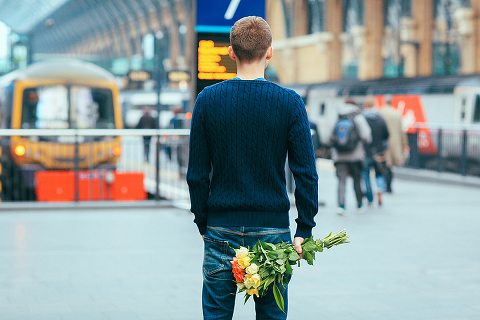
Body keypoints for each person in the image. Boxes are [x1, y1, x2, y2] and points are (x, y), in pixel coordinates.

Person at [186, 16, 318, 320]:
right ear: (269, 52)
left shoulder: (207, 100)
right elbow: (306, 173)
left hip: (220, 229)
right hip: (273, 231)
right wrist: (304, 228)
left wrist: (203, 222)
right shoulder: (290, 102)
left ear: (231, 52)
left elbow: (196, 175)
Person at [329, 98, 371, 215]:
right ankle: (359, 205)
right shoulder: (358, 116)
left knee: (341, 181)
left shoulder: (338, 116)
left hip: (340, 156)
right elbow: (366, 135)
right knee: (357, 180)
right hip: (355, 156)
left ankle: (341, 206)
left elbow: (329, 136)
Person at [362, 97, 390, 206]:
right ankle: (379, 190)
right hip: (379, 153)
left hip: (366, 152)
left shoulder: (363, 119)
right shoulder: (381, 119)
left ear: (365, 106)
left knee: (366, 175)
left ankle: (369, 198)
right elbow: (387, 135)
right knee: (379, 174)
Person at [379, 98, 409, 193]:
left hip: (384, 143)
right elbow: (401, 131)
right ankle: (389, 186)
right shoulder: (396, 114)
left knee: (384, 165)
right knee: (390, 166)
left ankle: (385, 186)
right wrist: (405, 144)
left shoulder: (380, 113)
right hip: (395, 143)